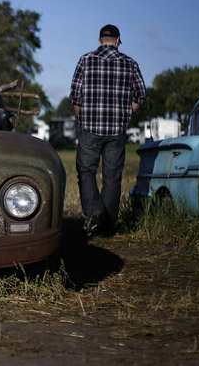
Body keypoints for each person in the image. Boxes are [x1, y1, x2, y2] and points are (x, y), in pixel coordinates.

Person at [69, 24, 146, 238]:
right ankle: (107, 226)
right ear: (118, 40)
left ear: (99, 40)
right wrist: (125, 115)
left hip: (90, 127)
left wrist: (80, 117)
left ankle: (94, 212)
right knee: (112, 177)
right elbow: (140, 95)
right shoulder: (130, 64)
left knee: (86, 171)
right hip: (117, 130)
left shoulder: (85, 60)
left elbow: (75, 96)